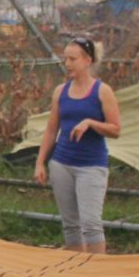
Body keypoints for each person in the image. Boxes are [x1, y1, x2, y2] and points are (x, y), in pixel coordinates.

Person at [33, 36, 120, 253]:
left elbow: (116, 129)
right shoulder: (60, 92)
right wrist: (41, 161)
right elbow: (52, 129)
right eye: (66, 59)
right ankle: (75, 271)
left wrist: (90, 123)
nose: (68, 64)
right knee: (70, 224)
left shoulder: (102, 91)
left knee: (91, 224)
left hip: (91, 166)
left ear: (87, 60)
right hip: (62, 163)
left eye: (73, 59)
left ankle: (96, 273)